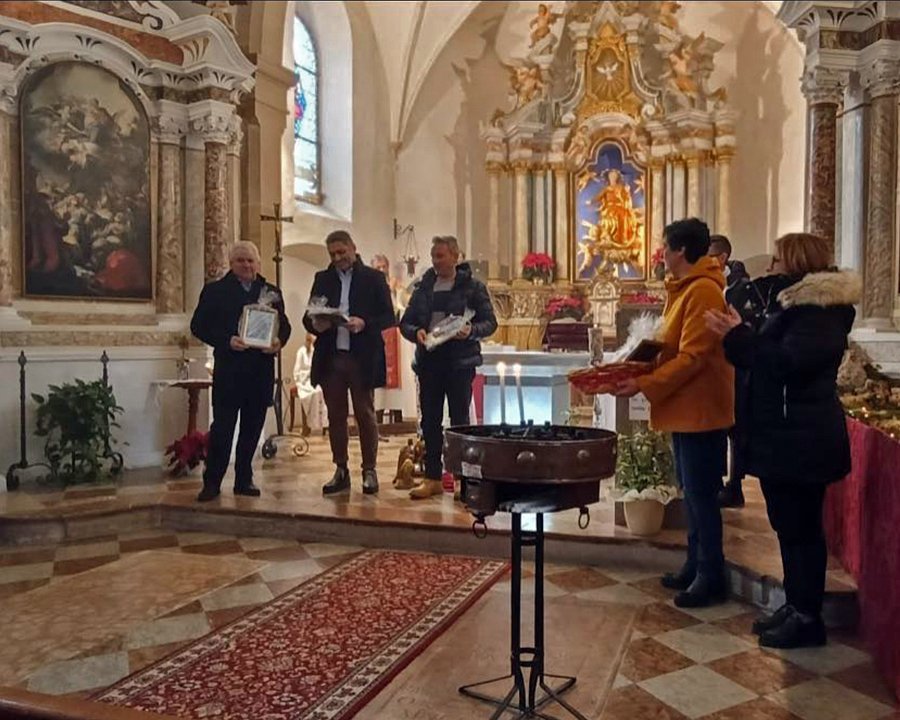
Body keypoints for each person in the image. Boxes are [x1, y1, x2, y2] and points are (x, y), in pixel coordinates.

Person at [705, 233, 860, 648]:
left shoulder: (819, 312)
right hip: (787, 437)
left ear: (795, 262)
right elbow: (762, 357)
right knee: (788, 528)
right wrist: (738, 335)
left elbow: (786, 364)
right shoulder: (795, 307)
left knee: (802, 531)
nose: (770, 265)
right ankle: (795, 606)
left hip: (802, 440)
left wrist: (740, 336)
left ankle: (808, 618)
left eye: (776, 259)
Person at [612, 218, 734, 608]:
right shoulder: (686, 289)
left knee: (701, 496)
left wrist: (644, 383)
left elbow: (694, 357)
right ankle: (696, 563)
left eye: (664, 247)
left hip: (700, 408)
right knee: (691, 491)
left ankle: (712, 574)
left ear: (680, 251)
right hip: (686, 408)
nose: (660, 254)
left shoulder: (702, 291)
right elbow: (672, 344)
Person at [191, 241, 291, 502]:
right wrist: (227, 340)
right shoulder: (215, 291)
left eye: (250, 261)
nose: (246, 265)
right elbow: (199, 326)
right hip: (230, 371)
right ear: (231, 263)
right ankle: (212, 482)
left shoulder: (271, 291)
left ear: (258, 263)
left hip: (260, 372)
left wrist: (278, 342)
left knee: (252, 429)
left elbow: (285, 326)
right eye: (240, 261)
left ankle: (244, 479)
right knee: (222, 428)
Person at [399, 236, 497, 499]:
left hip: (459, 363)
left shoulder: (473, 287)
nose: (436, 261)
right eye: (433, 257)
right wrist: (416, 332)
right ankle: (432, 478)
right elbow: (405, 322)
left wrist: (470, 330)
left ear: (455, 256)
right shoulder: (423, 287)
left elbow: (490, 323)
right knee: (429, 422)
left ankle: (461, 479)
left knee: (460, 423)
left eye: (441, 256)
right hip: (430, 363)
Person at [303, 231, 395, 496]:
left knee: (365, 414)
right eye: (333, 254)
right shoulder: (322, 278)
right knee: (336, 415)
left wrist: (364, 322)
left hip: (361, 356)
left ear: (353, 248)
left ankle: (369, 469)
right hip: (332, 357)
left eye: (342, 252)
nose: (338, 258)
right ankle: (340, 469)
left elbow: (389, 316)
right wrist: (316, 323)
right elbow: (308, 317)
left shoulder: (373, 278)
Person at [707, 234, 750, 507]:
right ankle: (719, 481)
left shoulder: (739, 287)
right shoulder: (714, 283)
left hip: (737, 369)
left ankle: (735, 486)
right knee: (721, 428)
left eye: (710, 255)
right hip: (719, 368)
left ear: (722, 258)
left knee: (736, 430)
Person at [292, 333, 326, 435]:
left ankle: (323, 424)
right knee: (313, 393)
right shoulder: (302, 351)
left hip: (318, 380)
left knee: (321, 391)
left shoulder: (319, 350)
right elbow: (297, 370)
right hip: (305, 381)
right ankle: (308, 425)